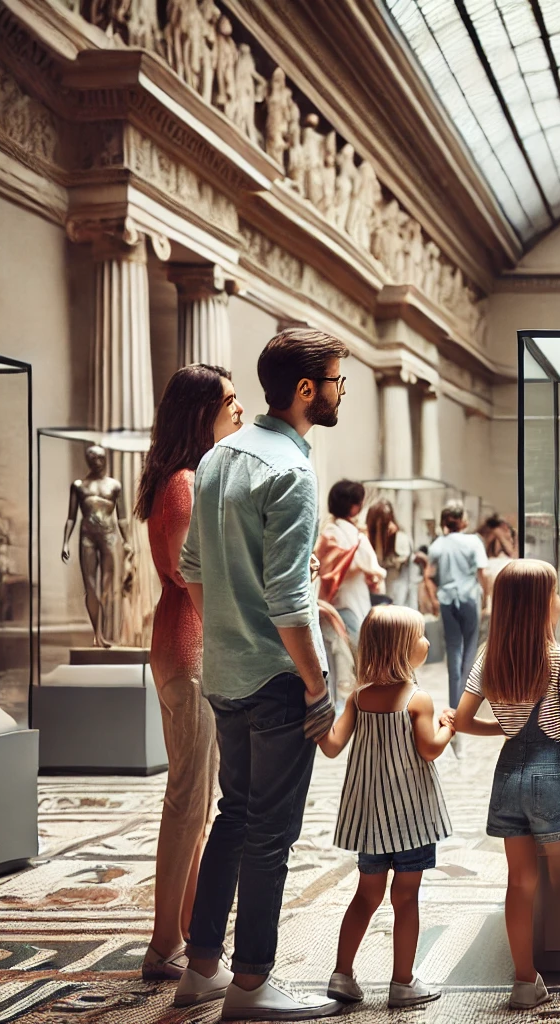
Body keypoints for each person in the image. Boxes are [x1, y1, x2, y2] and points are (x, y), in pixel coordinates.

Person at [174, 327, 350, 1020]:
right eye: (336, 382)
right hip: (277, 680)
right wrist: (316, 684)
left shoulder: (219, 456)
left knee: (234, 818)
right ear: (306, 390)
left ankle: (201, 969)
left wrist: (227, 629)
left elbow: (191, 571)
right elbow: (287, 600)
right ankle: (250, 984)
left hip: (223, 670)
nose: (339, 393)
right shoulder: (292, 471)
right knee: (270, 836)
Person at [134, 363, 244, 981]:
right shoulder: (182, 481)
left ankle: (186, 932)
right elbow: (189, 573)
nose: (238, 410)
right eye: (228, 401)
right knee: (188, 800)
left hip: (191, 644)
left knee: (197, 802)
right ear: (200, 411)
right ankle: (165, 943)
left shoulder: (190, 477)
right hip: (190, 648)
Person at [440, 560, 560, 1010]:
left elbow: (462, 720)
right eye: (557, 593)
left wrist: (504, 731)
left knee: (519, 882)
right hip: (551, 771)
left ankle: (524, 979)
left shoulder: (489, 657)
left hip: (507, 777)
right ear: (543, 605)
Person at [319, 605, 451, 1010]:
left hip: (372, 822)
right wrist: (448, 725)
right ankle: (403, 982)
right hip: (411, 820)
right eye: (420, 637)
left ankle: (342, 974)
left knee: (365, 896)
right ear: (403, 650)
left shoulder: (358, 698)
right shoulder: (418, 699)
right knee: (406, 898)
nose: (426, 641)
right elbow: (429, 751)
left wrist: (312, 705)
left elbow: (331, 745)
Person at [428, 502, 488, 707]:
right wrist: (486, 597)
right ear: (462, 521)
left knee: (453, 649)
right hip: (470, 598)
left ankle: (454, 703)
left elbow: (429, 575)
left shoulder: (437, 545)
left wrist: (433, 598)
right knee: (470, 649)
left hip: (446, 599)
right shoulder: (474, 541)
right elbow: (482, 572)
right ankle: (466, 703)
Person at [317, 480, 385, 643]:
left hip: (329, 599)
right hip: (350, 599)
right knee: (356, 650)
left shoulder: (328, 529)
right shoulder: (353, 534)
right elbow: (372, 567)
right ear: (353, 506)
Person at [365, 499, 415, 608]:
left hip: (397, 592)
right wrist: (378, 534)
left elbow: (385, 562)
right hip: (379, 594)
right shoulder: (371, 539)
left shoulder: (401, 538)